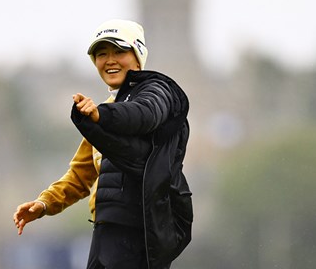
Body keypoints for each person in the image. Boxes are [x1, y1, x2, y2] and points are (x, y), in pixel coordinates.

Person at [13, 19, 193, 269]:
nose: (109, 60)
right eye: (101, 54)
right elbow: (80, 175)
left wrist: (101, 116)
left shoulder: (156, 89)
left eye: (119, 51)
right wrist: (44, 204)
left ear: (138, 55)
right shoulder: (106, 110)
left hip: (139, 229)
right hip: (106, 232)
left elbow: (144, 114)